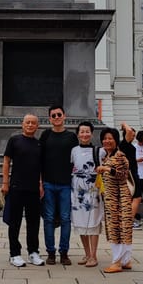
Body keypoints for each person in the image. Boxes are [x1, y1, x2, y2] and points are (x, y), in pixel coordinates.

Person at [2, 113, 45, 268]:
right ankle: (14, 254)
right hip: (16, 187)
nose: (30, 125)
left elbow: (40, 167)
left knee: (34, 222)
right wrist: (5, 182)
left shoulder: (39, 144)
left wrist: (41, 184)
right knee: (15, 222)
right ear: (22, 124)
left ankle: (33, 252)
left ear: (37, 126)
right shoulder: (14, 140)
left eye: (33, 123)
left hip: (33, 189)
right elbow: (6, 161)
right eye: (27, 122)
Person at [40, 104, 78, 265]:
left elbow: (77, 158)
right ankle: (50, 252)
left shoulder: (71, 137)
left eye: (59, 115)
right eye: (53, 115)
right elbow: (39, 160)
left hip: (65, 184)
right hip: (48, 183)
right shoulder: (45, 135)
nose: (56, 117)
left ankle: (64, 252)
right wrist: (40, 182)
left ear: (64, 116)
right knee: (48, 219)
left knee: (65, 219)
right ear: (50, 118)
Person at [95, 127, 133, 273]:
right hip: (112, 198)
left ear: (116, 140)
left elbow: (123, 174)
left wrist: (106, 169)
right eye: (104, 139)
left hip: (119, 199)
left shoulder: (120, 156)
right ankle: (126, 260)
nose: (107, 141)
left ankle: (117, 262)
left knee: (117, 228)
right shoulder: (108, 157)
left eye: (110, 138)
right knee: (123, 228)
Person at [70, 121, 103, 268]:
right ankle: (87, 253)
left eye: (87, 131)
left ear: (91, 133)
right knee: (81, 223)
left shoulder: (99, 151)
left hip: (93, 191)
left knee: (93, 222)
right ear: (78, 134)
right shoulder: (74, 151)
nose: (84, 134)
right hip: (78, 192)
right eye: (82, 131)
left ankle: (94, 256)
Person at [118, 121, 141, 228]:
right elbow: (129, 131)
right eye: (133, 135)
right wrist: (124, 124)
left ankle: (126, 220)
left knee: (131, 198)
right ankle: (129, 221)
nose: (134, 136)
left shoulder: (127, 145)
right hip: (130, 174)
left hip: (132, 172)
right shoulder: (124, 144)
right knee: (136, 197)